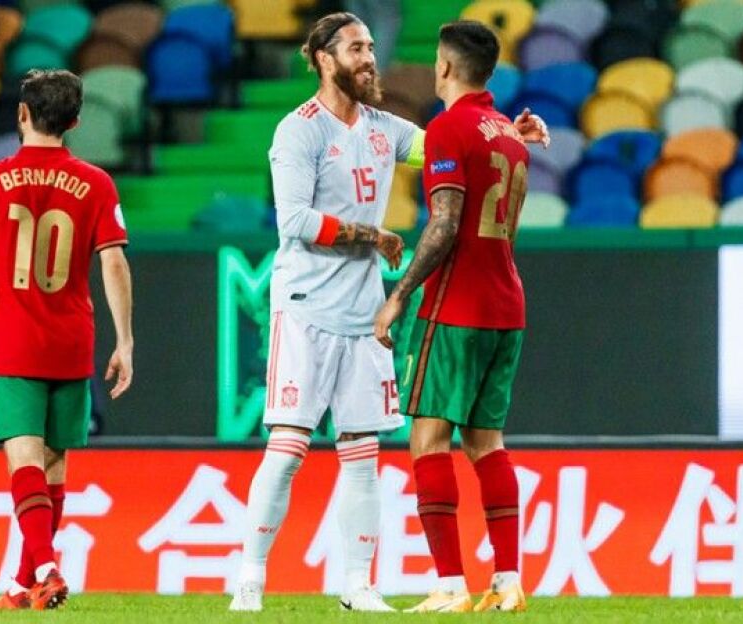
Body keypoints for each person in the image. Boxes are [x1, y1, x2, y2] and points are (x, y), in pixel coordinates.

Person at [228, 12, 548, 613]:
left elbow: (452, 142)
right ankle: (250, 578)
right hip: (306, 307)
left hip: (363, 312)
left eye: (371, 46)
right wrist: (372, 236)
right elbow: (293, 220)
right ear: (323, 59)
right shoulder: (298, 131)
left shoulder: (385, 129)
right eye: (356, 48)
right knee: (289, 446)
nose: (370, 58)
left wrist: (507, 131)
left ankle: (357, 584)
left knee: (362, 453)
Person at [373, 20, 535, 613]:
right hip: (506, 304)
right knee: (487, 442)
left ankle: (449, 585)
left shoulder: (447, 128)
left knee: (428, 439)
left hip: (455, 305)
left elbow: (443, 223)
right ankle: (508, 580)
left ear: (443, 67)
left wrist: (400, 294)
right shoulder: (511, 135)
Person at [0, 69, 133, 611]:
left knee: (25, 462)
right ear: (75, 121)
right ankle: (22, 582)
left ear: (21, 114)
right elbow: (113, 262)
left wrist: (11, 271)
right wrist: (125, 341)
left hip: (16, 340)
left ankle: (47, 570)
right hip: (72, 339)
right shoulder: (97, 183)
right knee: (53, 464)